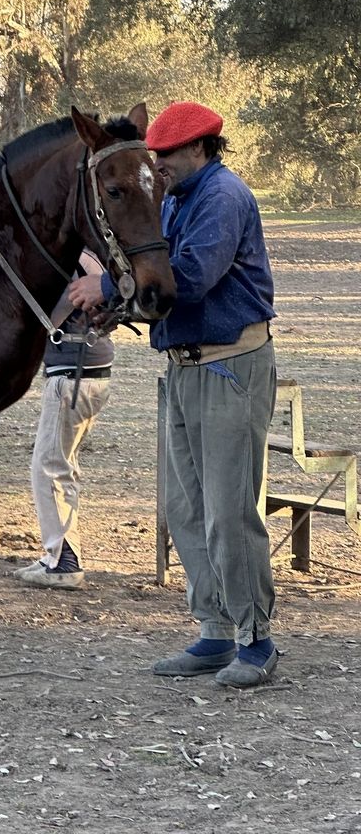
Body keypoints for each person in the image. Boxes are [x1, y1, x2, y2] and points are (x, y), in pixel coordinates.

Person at [68, 101, 278, 688]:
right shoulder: (181, 199)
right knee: (186, 507)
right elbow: (157, 282)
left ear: (199, 149)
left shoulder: (222, 197)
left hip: (228, 365)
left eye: (165, 155)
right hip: (186, 367)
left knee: (229, 509)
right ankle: (214, 629)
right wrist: (120, 304)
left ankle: (255, 639)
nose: (157, 165)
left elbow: (191, 273)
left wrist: (105, 284)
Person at [15, 250, 114, 589]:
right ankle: (56, 554)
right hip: (90, 372)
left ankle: (64, 561)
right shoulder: (94, 259)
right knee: (61, 464)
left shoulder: (74, 262)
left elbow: (48, 318)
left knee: (49, 465)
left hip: (71, 376)